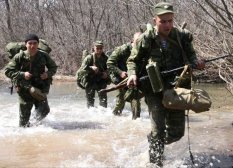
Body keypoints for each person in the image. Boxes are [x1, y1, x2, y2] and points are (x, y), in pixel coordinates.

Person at [126, 2, 205, 166]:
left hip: (177, 89)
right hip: (154, 91)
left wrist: (196, 63)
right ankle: (155, 162)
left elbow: (191, 57)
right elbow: (132, 60)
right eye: (163, 21)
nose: (168, 25)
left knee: (177, 133)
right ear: (155, 20)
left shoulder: (181, 37)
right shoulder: (145, 39)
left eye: (170, 20)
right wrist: (132, 75)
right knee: (158, 131)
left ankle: (156, 143)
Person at [4, 34, 58, 127]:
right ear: (26, 44)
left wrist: (47, 74)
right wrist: (22, 74)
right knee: (24, 120)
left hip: (40, 87)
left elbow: (53, 67)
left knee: (44, 110)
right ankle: (24, 131)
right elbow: (8, 71)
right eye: (30, 43)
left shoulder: (43, 55)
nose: (32, 46)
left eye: (35, 43)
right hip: (24, 88)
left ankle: (34, 125)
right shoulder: (19, 56)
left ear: (38, 44)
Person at [107, 32, 142, 119]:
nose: (139, 43)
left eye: (141, 41)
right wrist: (120, 72)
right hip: (119, 77)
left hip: (132, 77)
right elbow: (110, 63)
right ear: (132, 41)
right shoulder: (123, 49)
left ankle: (136, 120)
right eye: (137, 41)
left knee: (135, 99)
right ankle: (114, 117)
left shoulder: (142, 50)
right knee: (121, 101)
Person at [78, 41, 110, 108]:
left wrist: (106, 74)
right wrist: (91, 68)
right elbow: (81, 71)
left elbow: (110, 68)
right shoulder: (89, 58)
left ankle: (103, 115)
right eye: (97, 48)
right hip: (90, 81)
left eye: (101, 48)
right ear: (94, 48)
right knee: (90, 103)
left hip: (101, 81)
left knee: (103, 102)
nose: (99, 49)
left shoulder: (106, 58)